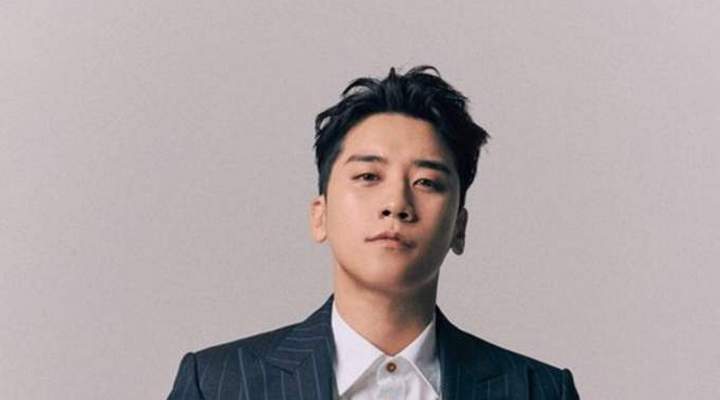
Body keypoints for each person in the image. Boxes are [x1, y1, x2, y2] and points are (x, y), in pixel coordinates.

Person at [166, 66, 580, 399]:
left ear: (459, 226)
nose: (396, 203)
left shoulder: (539, 391)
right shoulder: (218, 385)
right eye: (368, 176)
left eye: (426, 182)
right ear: (320, 216)